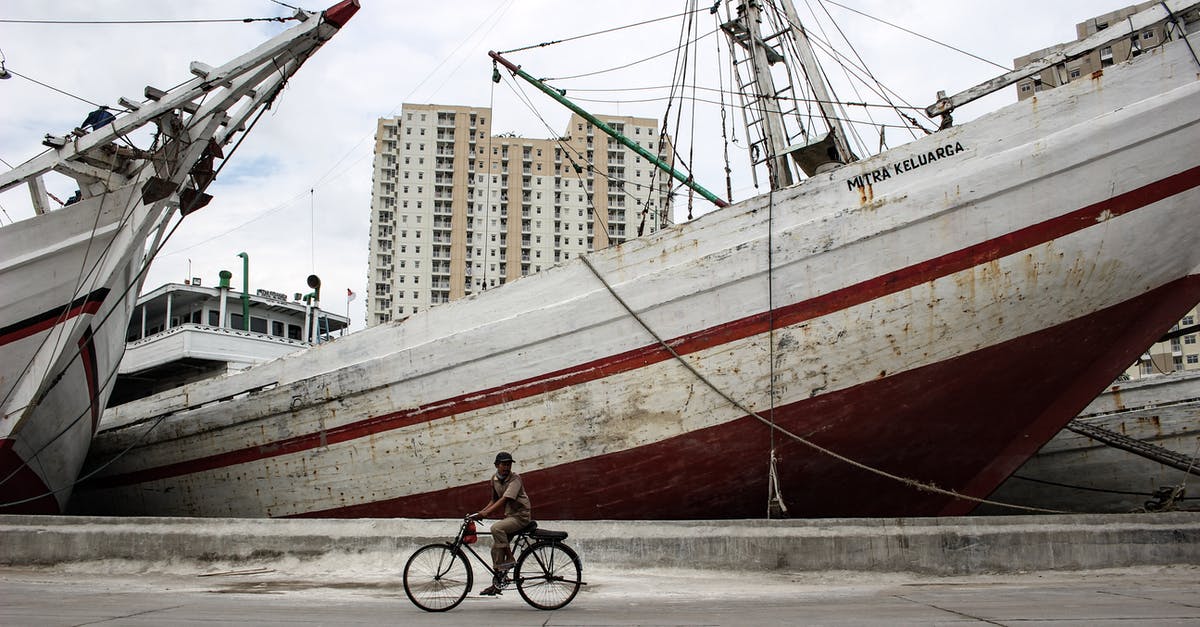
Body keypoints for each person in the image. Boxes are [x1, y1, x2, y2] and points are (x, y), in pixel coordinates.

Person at [471, 451, 531, 596]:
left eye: (509, 464)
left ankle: (510, 559)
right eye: (504, 464)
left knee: (496, 528)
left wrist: (487, 513)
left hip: (521, 516)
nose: (506, 467)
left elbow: (505, 499)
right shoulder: (495, 479)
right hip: (510, 516)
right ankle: (498, 584)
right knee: (495, 550)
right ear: (497, 465)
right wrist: (480, 512)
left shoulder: (515, 479)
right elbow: (493, 500)